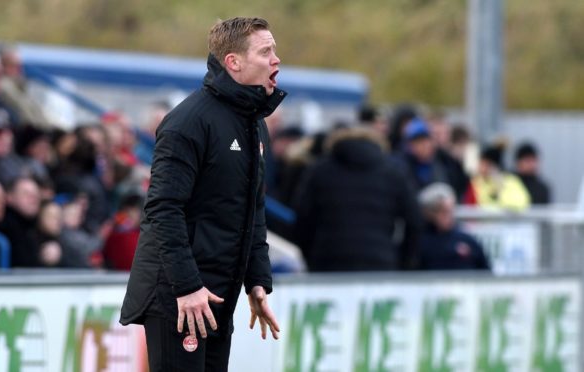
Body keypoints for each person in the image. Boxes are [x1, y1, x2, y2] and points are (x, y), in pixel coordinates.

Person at [120, 17, 285, 371]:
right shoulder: (189, 122)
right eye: (266, 51)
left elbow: (252, 210)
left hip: (216, 294)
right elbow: (163, 209)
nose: (276, 60)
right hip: (176, 295)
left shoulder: (253, 123)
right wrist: (187, 287)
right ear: (233, 62)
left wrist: (257, 280)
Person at [293, 127, 422, 271]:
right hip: (380, 259)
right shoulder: (394, 172)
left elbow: (302, 218)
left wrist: (311, 256)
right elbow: (414, 221)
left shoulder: (319, 170)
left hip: (329, 259)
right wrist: (403, 261)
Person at [418, 183, 490, 270]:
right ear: (429, 213)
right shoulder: (421, 244)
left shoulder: (466, 239)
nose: (449, 216)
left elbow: (486, 271)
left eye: (451, 210)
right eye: (442, 211)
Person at [465, 142, 531, 210]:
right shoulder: (476, 183)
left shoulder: (511, 181)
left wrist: (499, 188)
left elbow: (521, 202)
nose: (482, 168)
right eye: (481, 164)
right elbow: (472, 205)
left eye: (487, 165)